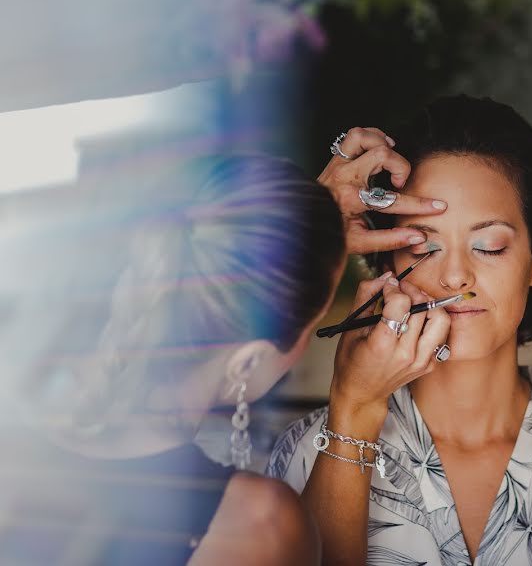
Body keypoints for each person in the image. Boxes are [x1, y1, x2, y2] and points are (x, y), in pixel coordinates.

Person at [269, 96, 532, 566]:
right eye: (422, 245)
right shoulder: (307, 454)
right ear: (387, 258)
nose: (455, 276)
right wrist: (353, 412)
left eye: (488, 246)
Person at [1, 154, 346, 565]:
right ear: (248, 362)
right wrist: (355, 407)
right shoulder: (257, 528)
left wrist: (293, 227)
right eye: (316, 324)